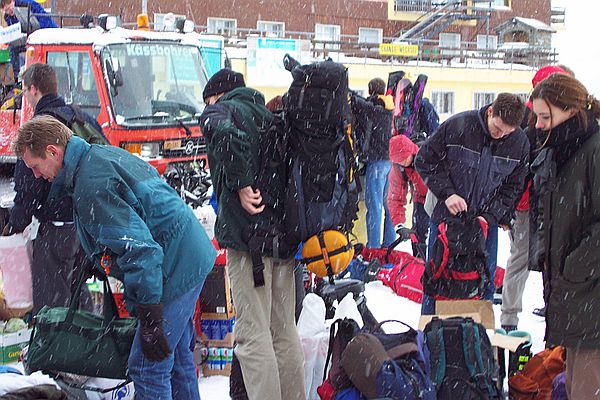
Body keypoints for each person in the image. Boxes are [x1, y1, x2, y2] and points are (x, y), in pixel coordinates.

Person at [12, 115, 216, 399]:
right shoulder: (95, 156)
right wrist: (99, 255)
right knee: (176, 358)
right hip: (187, 250)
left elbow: (140, 250)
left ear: (53, 152)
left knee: (147, 367)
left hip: (173, 265)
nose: (35, 175)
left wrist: (150, 316)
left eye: (35, 166)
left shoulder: (90, 184)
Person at [199, 68, 305, 400]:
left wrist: (242, 183)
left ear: (216, 96)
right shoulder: (270, 116)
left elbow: (227, 136)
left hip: (248, 247)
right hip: (282, 244)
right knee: (283, 333)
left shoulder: (223, 111)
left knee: (252, 336)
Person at [415, 93, 528, 315]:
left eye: (508, 132)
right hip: (446, 219)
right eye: (498, 128)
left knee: (483, 284)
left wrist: (491, 216)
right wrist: (447, 194)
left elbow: (513, 187)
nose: (501, 135)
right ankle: (428, 336)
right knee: (436, 282)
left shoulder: (519, 143)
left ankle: (478, 338)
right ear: (490, 112)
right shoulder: (459, 125)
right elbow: (424, 160)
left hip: (485, 223)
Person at [2, 63, 100, 315]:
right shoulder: (80, 117)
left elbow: (28, 189)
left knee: (51, 304)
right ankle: (89, 343)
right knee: (79, 293)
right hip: (83, 226)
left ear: (33, 89)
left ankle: (56, 350)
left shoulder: (39, 128)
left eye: (24, 91)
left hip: (56, 229)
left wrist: (15, 224)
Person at [528, 73, 600, 398]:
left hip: (590, 297)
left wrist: (574, 267)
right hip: (577, 296)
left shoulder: (593, 150)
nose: (539, 125)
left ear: (571, 110)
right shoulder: (565, 149)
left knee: (586, 389)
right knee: (574, 386)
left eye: (546, 116)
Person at [500, 65, 568, 331]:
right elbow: (519, 168)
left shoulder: (536, 117)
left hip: (537, 203)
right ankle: (509, 319)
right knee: (526, 259)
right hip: (531, 204)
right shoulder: (535, 121)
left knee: (531, 260)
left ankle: (515, 316)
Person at [351, 77, 395, 248]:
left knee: (374, 207)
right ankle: (389, 245)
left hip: (376, 162)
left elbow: (356, 101)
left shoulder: (372, 109)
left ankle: (374, 247)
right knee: (388, 206)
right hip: (391, 162)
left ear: (370, 90)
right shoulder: (389, 108)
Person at [387, 134, 429, 258]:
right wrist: (399, 225)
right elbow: (395, 197)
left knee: (442, 235)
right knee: (418, 235)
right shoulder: (398, 168)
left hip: (442, 198)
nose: (403, 162)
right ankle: (419, 265)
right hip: (420, 198)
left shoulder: (428, 156)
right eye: (399, 160)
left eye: (405, 158)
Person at [1, 0, 57, 82]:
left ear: (13, 1)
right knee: (13, 49)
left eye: (9, 9)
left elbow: (45, 20)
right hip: (28, 39)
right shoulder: (8, 17)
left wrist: (37, 32)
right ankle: (16, 78)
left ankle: (43, 79)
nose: (9, 12)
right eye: (6, 11)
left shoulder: (28, 5)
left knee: (45, 60)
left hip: (47, 35)